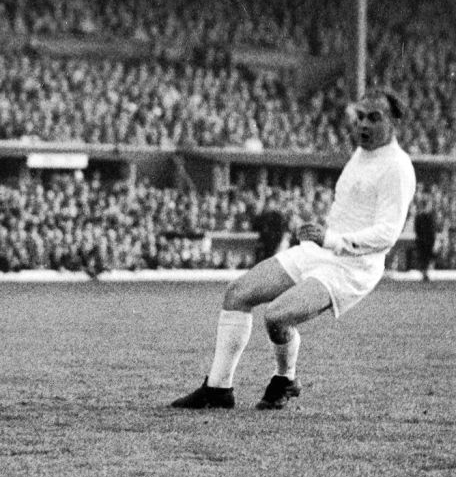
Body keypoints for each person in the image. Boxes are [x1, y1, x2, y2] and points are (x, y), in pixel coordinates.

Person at [170, 87, 416, 410]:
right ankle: (218, 389)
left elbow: (388, 233)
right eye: (360, 118)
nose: (363, 125)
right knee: (238, 293)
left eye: (374, 118)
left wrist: (333, 239)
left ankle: (285, 378)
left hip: (354, 266)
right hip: (321, 249)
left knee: (276, 317)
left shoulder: (397, 167)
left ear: (394, 121)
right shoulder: (362, 153)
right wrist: (325, 237)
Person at [412, 204, 437, 282]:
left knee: (425, 258)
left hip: (425, 241)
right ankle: (424, 273)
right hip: (424, 241)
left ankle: (424, 272)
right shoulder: (425, 217)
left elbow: (417, 230)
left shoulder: (422, 217)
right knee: (424, 258)